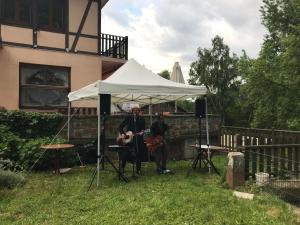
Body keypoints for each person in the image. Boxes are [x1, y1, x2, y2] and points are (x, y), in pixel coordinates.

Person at [118, 105, 145, 176]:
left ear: (139, 111)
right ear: (132, 111)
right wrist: (123, 134)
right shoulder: (129, 118)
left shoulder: (142, 119)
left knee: (138, 154)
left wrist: (142, 132)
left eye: (137, 110)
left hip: (138, 139)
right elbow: (120, 126)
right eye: (134, 110)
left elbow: (143, 130)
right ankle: (122, 169)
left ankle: (138, 170)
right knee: (125, 153)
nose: (135, 111)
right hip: (128, 139)